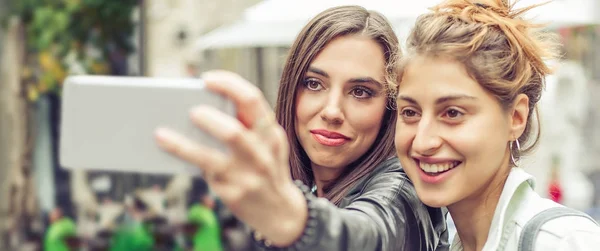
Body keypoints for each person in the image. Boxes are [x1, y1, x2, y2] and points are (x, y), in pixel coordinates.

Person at [155, 5, 448, 251]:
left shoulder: (401, 189)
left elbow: (369, 234)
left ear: (389, 108)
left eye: (360, 91)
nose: (332, 111)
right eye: (313, 84)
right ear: (290, 89)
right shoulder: (304, 186)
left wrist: (293, 219)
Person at [393, 0, 600, 250]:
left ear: (516, 118)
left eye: (453, 113)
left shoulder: (564, 241)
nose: (423, 142)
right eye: (410, 112)